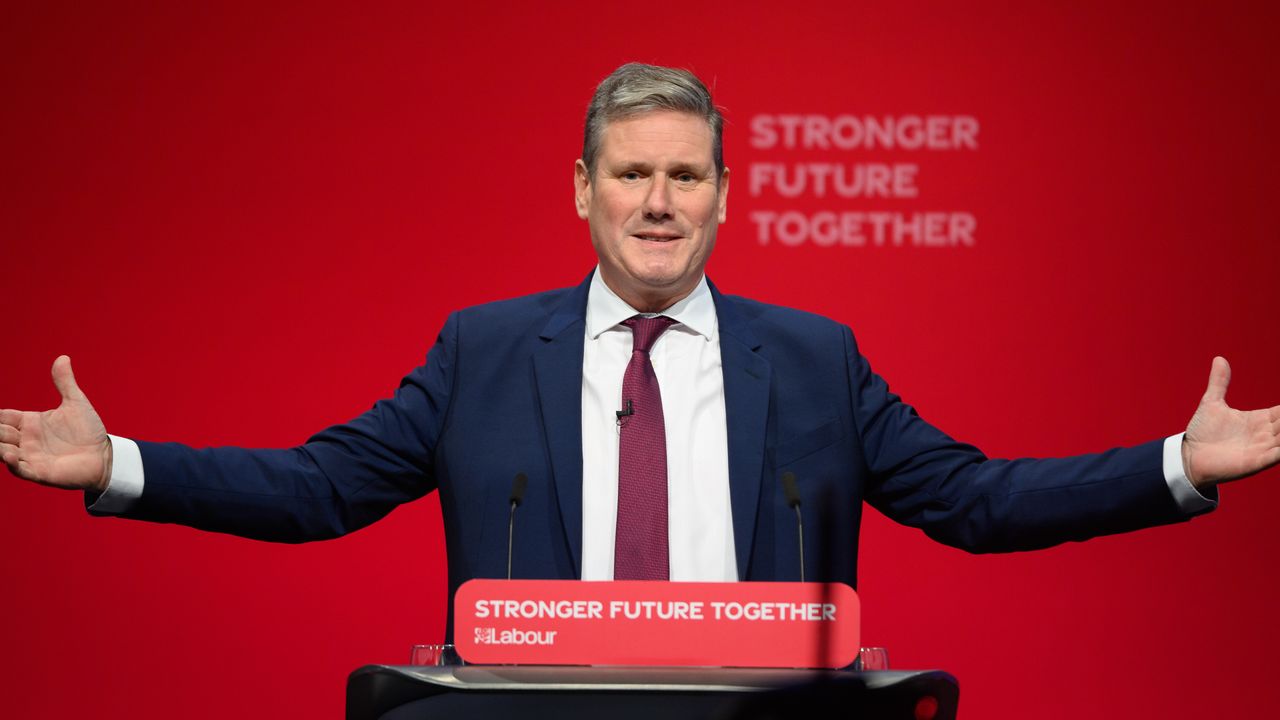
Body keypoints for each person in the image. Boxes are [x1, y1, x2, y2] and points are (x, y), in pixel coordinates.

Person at [2, 64, 1278, 606]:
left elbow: (976, 500)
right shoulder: (485, 350)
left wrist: (1176, 461)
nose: (657, 203)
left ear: (726, 193)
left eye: (683, 175)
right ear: (580, 189)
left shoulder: (818, 358)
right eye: (629, 175)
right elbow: (322, 486)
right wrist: (121, 465)